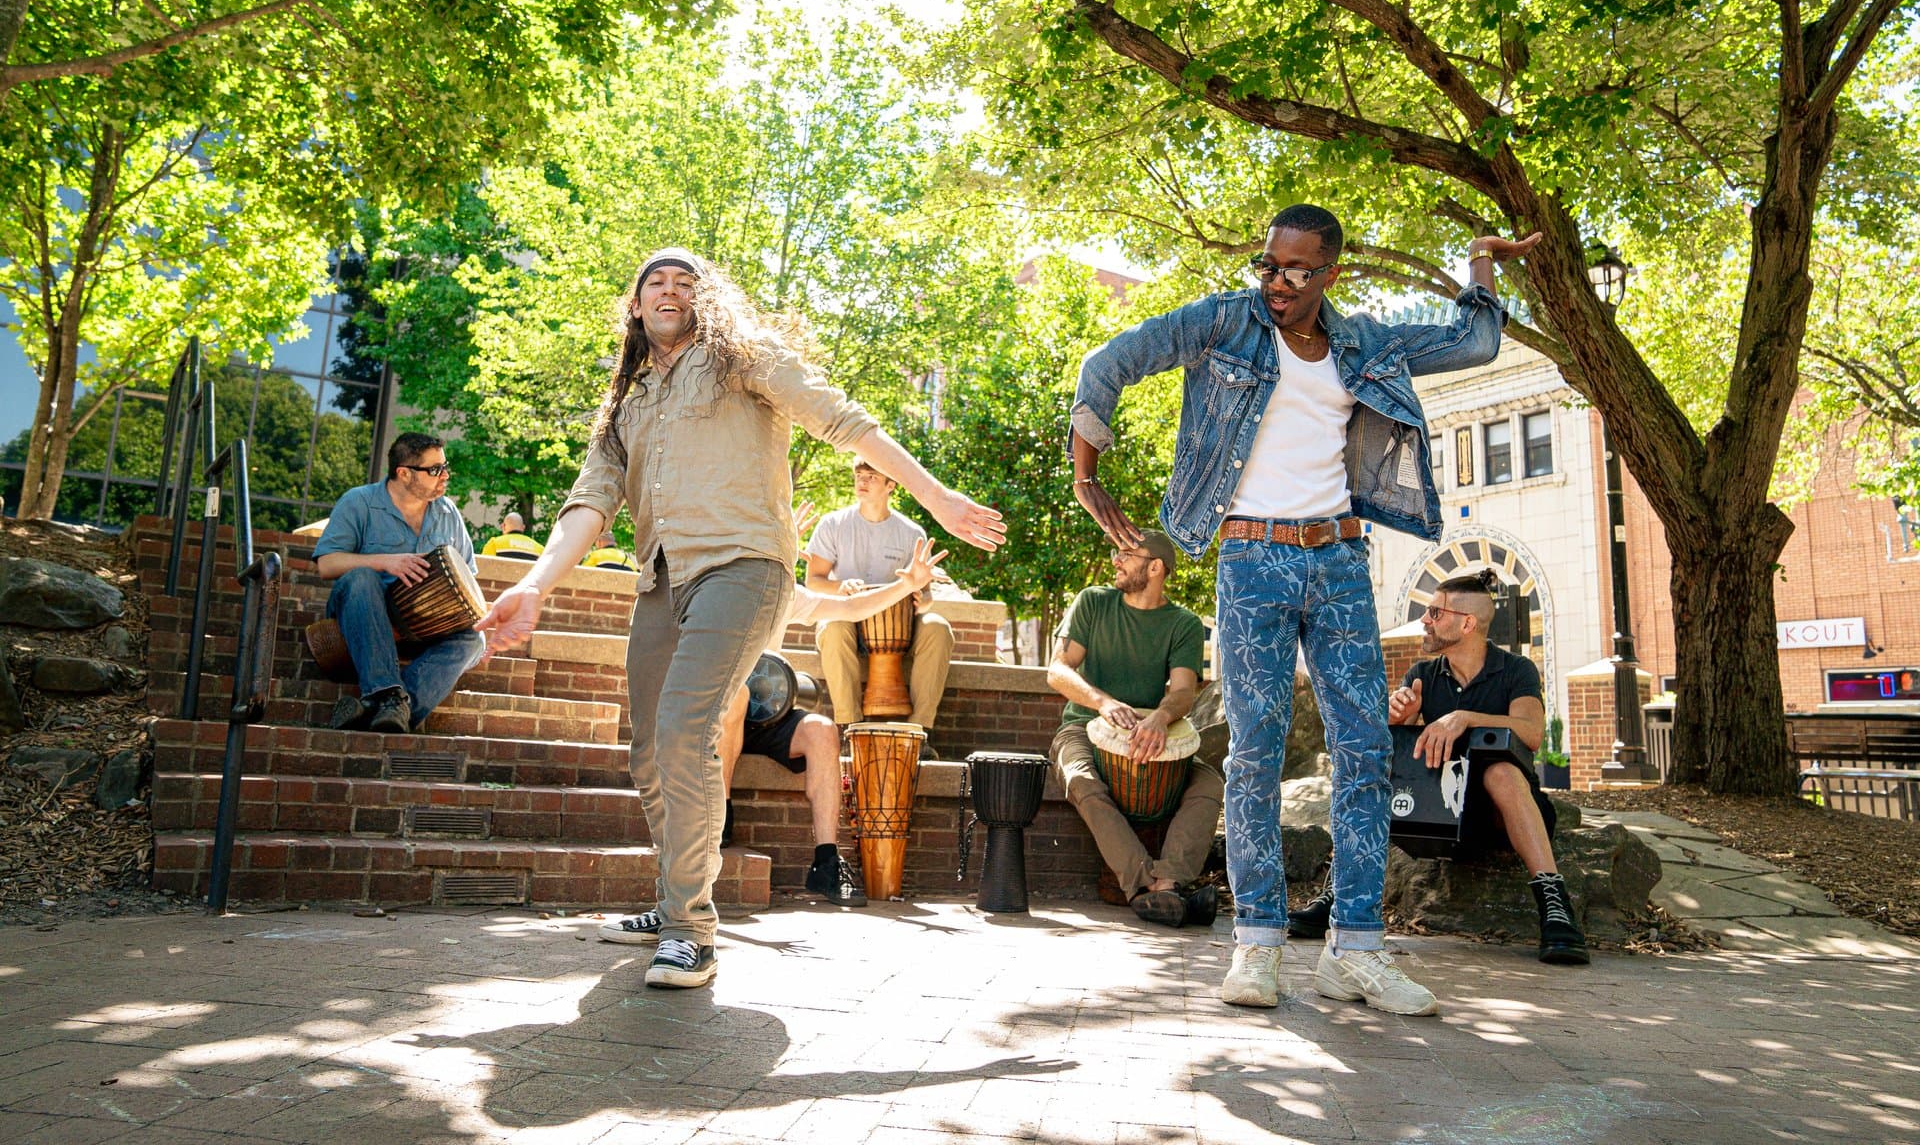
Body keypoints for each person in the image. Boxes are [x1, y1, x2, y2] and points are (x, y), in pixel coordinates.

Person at [478, 247, 1004, 991]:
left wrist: (938, 497)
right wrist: (534, 586)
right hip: (663, 581)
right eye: (653, 282)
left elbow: (844, 420)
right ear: (634, 306)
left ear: (707, 298)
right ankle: (674, 903)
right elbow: (589, 504)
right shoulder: (626, 401)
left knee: (687, 731)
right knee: (649, 755)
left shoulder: (741, 358)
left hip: (744, 568)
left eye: (684, 281)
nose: (668, 290)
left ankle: (693, 931)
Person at [1069, 203, 1540, 1015]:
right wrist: (1086, 468)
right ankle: (1257, 945)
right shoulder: (1222, 325)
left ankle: (1355, 950)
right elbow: (1111, 360)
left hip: (1340, 562)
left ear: (1331, 272)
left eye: (1295, 270)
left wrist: (1481, 265)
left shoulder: (1363, 342)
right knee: (1252, 751)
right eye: (1268, 265)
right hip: (1251, 558)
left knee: (1362, 750)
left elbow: (1475, 343)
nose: (1276, 283)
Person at [600, 534, 950, 942]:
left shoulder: (780, 591)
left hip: (766, 712)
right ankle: (722, 820)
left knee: (820, 729)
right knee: (736, 695)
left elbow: (850, 606)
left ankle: (826, 861)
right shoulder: (704, 589)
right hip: (714, 710)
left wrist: (907, 585)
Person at [1294, 570, 1589, 965]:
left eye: (1435, 612)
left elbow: (1531, 732)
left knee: (1499, 772)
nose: (1425, 620)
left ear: (1467, 623)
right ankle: (1337, 898)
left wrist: (1465, 717)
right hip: (1436, 816)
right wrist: (1404, 720)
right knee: (1375, 773)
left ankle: (1556, 909)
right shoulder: (1422, 676)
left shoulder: (1516, 670)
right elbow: (1401, 749)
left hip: (1498, 817)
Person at [1047, 530, 1222, 929]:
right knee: (1082, 780)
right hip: (1082, 729)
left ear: (1156, 567)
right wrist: (1103, 702)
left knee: (1209, 784)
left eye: (1127, 553)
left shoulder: (1183, 624)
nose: (1116, 560)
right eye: (1117, 551)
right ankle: (1147, 885)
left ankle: (1170, 877)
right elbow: (1058, 670)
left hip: (1151, 736)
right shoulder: (1093, 602)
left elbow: (1182, 692)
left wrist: (1160, 718)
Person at [313, 432, 485, 734]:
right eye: (435, 470)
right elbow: (327, 564)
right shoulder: (359, 501)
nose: (445, 475)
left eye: (446, 466)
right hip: (362, 611)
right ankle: (387, 694)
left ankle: (385, 706)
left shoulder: (448, 513)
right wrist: (384, 561)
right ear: (404, 473)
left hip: (422, 627)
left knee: (473, 640)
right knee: (362, 577)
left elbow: (467, 577)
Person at [805, 459, 954, 751]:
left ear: (891, 485)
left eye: (872, 476)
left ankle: (919, 733)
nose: (862, 481)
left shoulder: (912, 533)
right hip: (847, 621)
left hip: (898, 628)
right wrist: (840, 587)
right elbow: (813, 581)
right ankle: (850, 730)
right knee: (833, 627)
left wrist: (919, 601)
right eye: (859, 475)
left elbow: (925, 594)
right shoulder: (833, 524)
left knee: (938, 628)